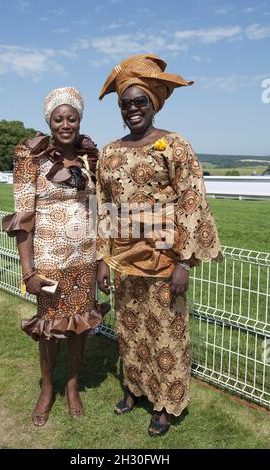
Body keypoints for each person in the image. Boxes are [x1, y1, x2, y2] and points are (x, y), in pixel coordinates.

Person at [96, 55, 222, 437]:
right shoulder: (110, 151)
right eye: (126, 104)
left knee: (167, 333)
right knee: (131, 328)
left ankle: (165, 405)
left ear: (153, 103)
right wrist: (102, 257)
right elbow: (102, 206)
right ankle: (135, 389)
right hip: (124, 258)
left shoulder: (175, 146)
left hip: (166, 257)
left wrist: (184, 262)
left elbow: (192, 202)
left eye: (140, 102)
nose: (132, 109)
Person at [3, 86, 109, 426]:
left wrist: (103, 259)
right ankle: (47, 388)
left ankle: (72, 384)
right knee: (49, 328)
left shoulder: (90, 157)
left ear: (80, 120)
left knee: (79, 326)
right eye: (58, 118)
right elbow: (23, 216)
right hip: (48, 261)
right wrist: (28, 269)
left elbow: (100, 209)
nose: (66, 124)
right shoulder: (29, 155)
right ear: (48, 120)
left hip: (85, 259)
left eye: (72, 118)